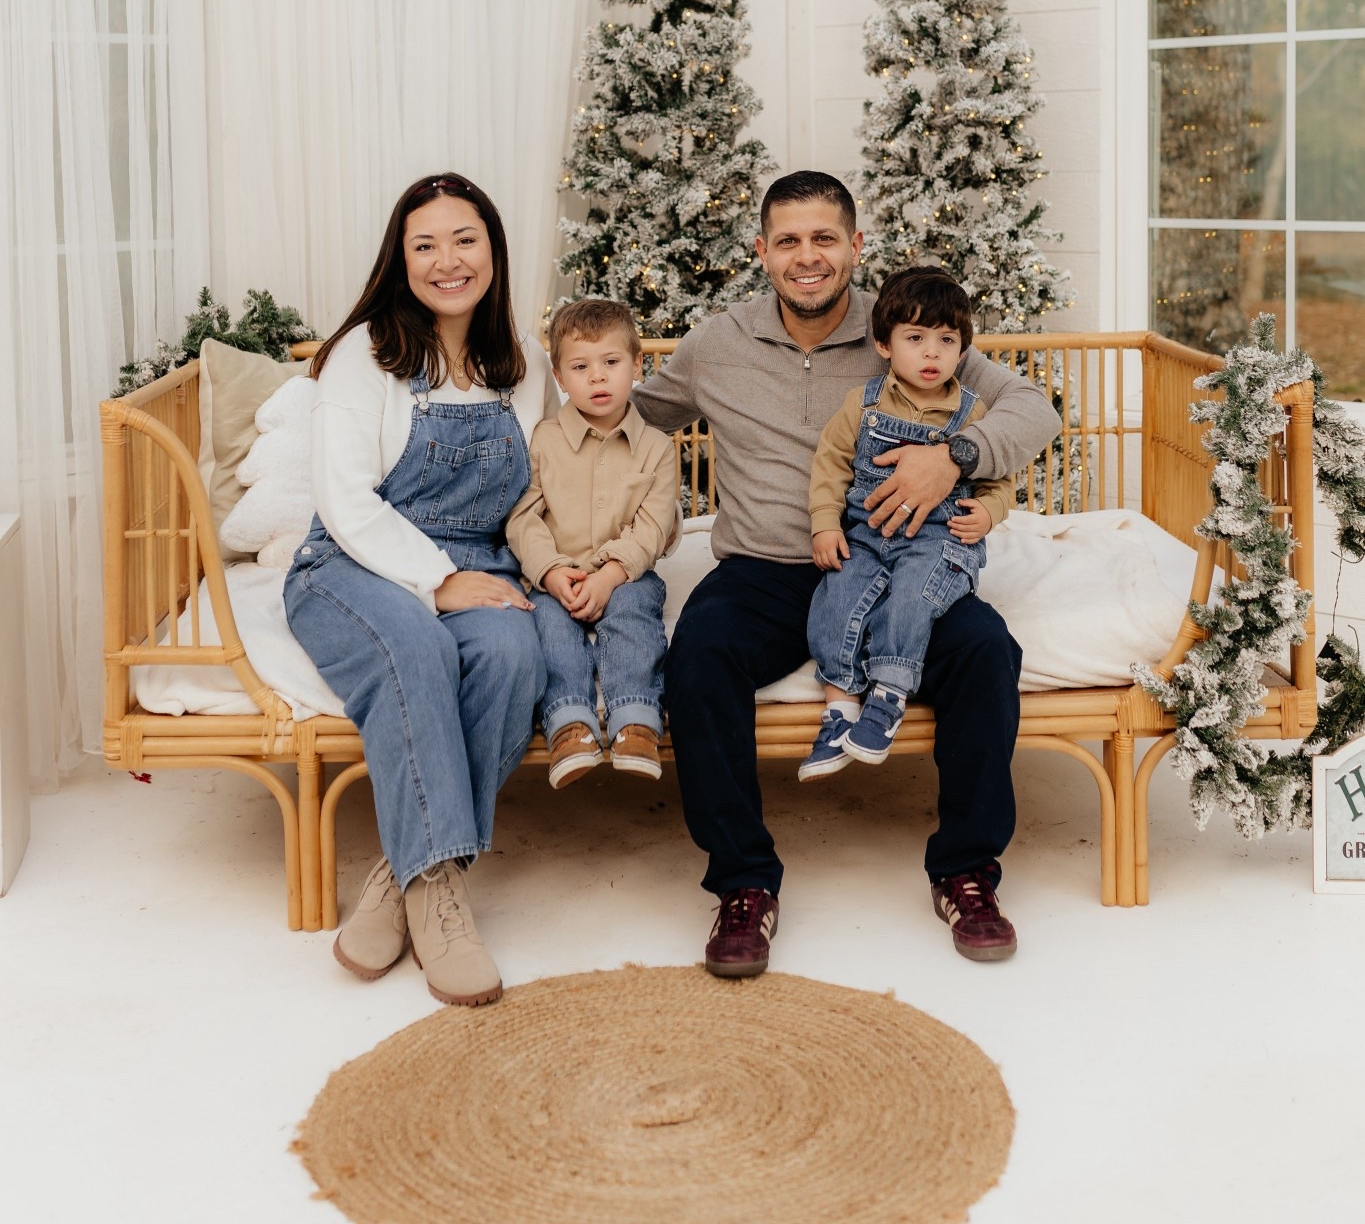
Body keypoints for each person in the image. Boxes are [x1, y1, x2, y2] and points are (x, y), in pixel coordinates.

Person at [635, 170, 1061, 977]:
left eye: (824, 238)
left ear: (855, 246)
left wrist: (954, 458)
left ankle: (965, 871)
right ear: (761, 252)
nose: (807, 257)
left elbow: (1032, 409)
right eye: (788, 241)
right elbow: (629, 416)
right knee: (697, 656)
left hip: (892, 560)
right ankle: (743, 885)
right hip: (764, 568)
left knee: (984, 652)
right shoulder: (715, 343)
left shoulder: (908, 327)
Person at [284, 173, 556, 1008]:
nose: (448, 261)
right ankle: (440, 902)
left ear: (494, 250)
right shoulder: (367, 353)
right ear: (401, 263)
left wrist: (549, 570)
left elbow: (535, 495)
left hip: (483, 563)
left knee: (514, 655)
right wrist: (436, 582)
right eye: (425, 245)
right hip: (354, 565)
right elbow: (345, 498)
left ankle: (395, 877)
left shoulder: (524, 364)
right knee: (416, 648)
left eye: (464, 239)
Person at [799, 266, 1013, 780]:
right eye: (915, 338)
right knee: (835, 596)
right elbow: (831, 464)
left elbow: (1000, 481)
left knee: (912, 598)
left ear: (963, 350)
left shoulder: (972, 413)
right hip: (867, 535)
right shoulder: (863, 404)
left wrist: (987, 513)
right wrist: (825, 524)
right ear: (884, 344)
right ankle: (839, 711)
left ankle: (887, 700)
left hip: (938, 541)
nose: (932, 352)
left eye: (946, 340)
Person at [507, 298, 678, 789]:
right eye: (581, 367)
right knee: (548, 622)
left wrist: (611, 574)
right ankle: (569, 722)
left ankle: (636, 719)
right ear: (560, 377)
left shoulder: (656, 447)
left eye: (611, 363)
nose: (597, 379)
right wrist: (553, 573)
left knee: (634, 616)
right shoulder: (542, 440)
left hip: (625, 574)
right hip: (557, 575)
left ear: (637, 365)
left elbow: (653, 525)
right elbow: (523, 519)